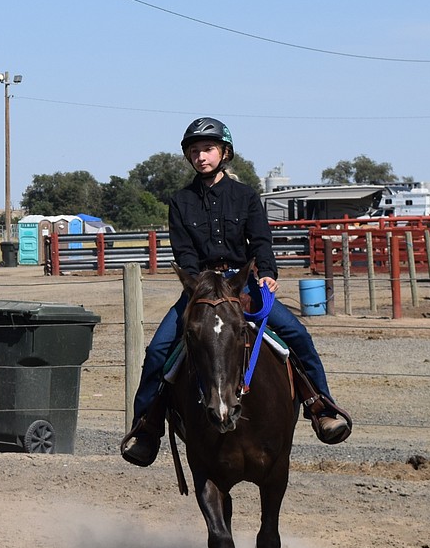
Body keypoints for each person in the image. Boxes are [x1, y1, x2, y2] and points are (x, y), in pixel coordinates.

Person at [120, 117, 351, 467]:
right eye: (194, 151)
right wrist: (199, 283)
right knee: (157, 351)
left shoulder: (245, 196)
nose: (201, 157)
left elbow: (261, 240)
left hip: (242, 286)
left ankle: (321, 406)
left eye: (208, 150)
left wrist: (269, 274)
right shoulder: (180, 201)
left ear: (224, 153)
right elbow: (183, 252)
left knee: (296, 334)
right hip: (200, 288)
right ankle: (146, 429)